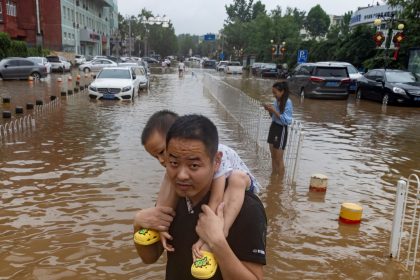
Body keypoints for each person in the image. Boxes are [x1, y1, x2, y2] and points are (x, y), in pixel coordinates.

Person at [134, 114, 267, 279]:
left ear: (216, 161)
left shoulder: (246, 208)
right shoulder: (175, 197)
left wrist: (217, 242)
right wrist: (138, 224)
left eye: (194, 165)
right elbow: (149, 257)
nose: (182, 175)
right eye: (173, 162)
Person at [263, 80, 293, 176]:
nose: (274, 95)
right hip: (274, 127)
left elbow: (287, 121)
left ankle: (279, 183)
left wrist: (274, 111)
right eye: (273, 93)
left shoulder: (288, 102)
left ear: (282, 91)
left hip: (281, 129)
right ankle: (273, 178)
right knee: (273, 156)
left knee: (278, 159)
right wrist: (269, 110)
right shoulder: (277, 101)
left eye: (275, 93)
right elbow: (274, 117)